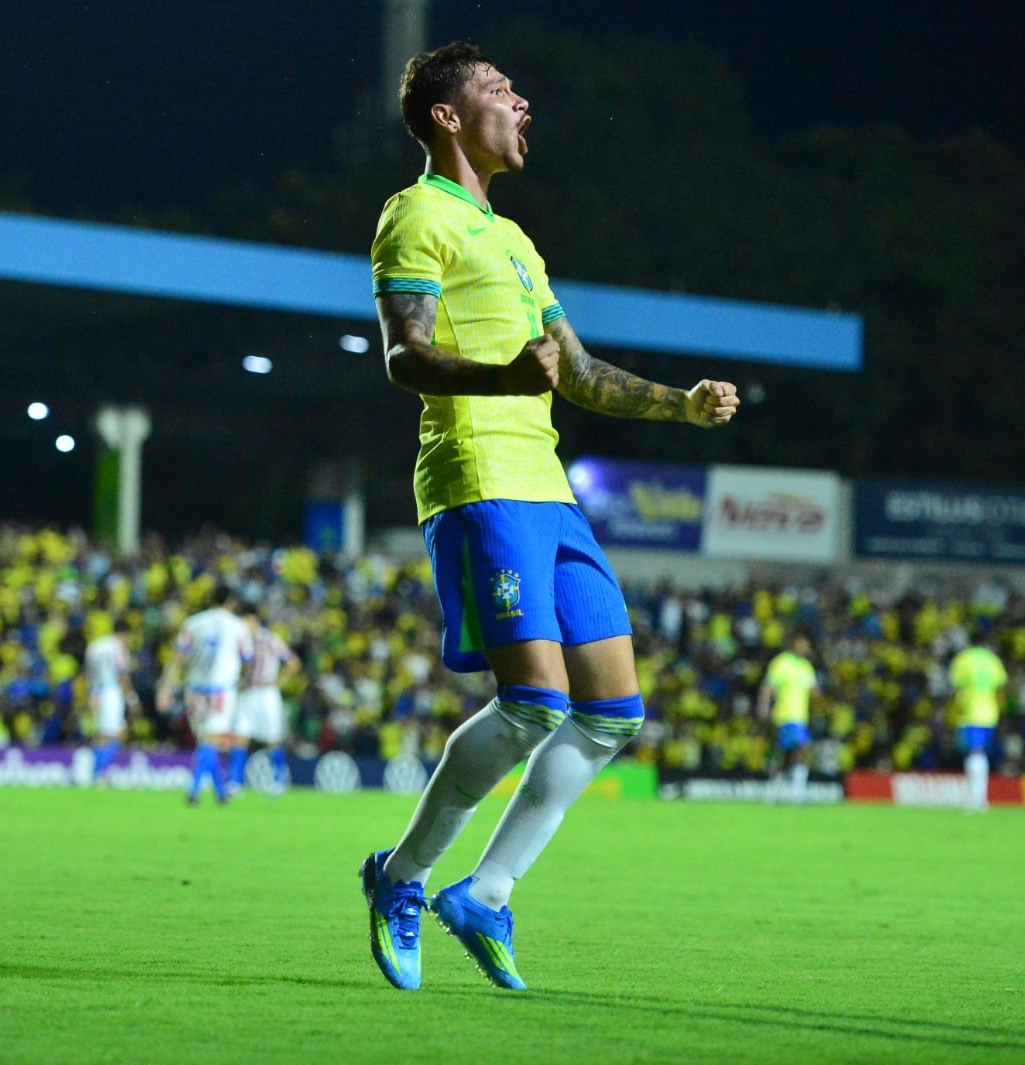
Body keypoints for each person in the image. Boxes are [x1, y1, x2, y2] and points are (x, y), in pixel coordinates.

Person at [360, 40, 739, 993]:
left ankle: (484, 894)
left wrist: (679, 403)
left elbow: (574, 371)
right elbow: (404, 356)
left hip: (550, 488)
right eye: (500, 91)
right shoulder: (416, 217)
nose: (522, 104)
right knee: (535, 701)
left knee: (612, 712)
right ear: (448, 116)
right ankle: (401, 877)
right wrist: (497, 378)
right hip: (477, 476)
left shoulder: (518, 240)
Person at [157, 585, 251, 806]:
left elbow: (178, 658)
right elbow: (247, 660)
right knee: (211, 740)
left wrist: (166, 687)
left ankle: (219, 792)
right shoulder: (239, 626)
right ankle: (194, 789)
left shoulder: (192, 623)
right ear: (231, 602)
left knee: (206, 740)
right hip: (222, 690)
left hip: (194, 690)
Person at [226, 604, 301, 794]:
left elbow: (293, 663)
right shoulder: (239, 641)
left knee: (273, 737)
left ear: (255, 621)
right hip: (247, 693)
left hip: (266, 693)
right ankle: (234, 782)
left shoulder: (270, 639)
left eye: (247, 621)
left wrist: (278, 683)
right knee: (241, 735)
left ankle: (278, 780)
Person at [757, 632, 818, 805]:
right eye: (803, 644)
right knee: (803, 748)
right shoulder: (781, 662)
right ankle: (797, 793)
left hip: (801, 717)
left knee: (785, 756)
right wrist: (764, 707)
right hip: (785, 715)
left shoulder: (806, 666)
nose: (805, 648)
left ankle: (773, 791)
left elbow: (813, 690)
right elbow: (768, 686)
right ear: (795, 643)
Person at [949, 634, 1007, 812]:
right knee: (979, 753)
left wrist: (955, 709)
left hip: (971, 712)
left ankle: (977, 800)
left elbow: (955, 686)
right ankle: (979, 798)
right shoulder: (993, 660)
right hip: (990, 713)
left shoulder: (964, 659)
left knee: (975, 752)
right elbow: (1001, 686)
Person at [82, 617, 138, 785]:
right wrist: (132, 699)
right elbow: (121, 675)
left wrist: (90, 695)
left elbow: (88, 674)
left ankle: (99, 774)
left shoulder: (95, 646)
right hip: (111, 691)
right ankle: (98, 773)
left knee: (102, 735)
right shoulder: (117, 648)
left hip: (96, 692)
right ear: (124, 634)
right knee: (118, 734)